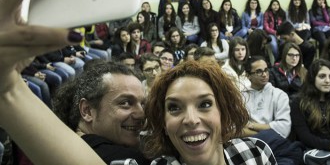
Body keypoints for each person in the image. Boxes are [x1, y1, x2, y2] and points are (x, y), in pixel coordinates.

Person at [0, 0, 106, 165]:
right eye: (174, 107)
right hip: (31, 70)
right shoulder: (38, 29)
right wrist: (7, 88)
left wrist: (8, 90)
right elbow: (36, 59)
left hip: (28, 72)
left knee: (72, 67)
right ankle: (57, 110)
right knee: (53, 78)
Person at [143, 60, 277, 165]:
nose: (191, 119)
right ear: (164, 124)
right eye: (174, 108)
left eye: (205, 104)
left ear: (224, 113)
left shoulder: (256, 153)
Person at [52, 61, 151, 165]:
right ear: (87, 110)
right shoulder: (127, 159)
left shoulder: (58, 147)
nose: (141, 114)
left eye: (143, 104)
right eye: (125, 103)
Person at [242, 56, 303, 165]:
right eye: (258, 72)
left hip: (275, 147)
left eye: (266, 70)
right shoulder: (240, 97)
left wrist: (251, 125)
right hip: (247, 147)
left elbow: (284, 129)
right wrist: (268, 130)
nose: (264, 74)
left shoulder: (279, 95)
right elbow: (234, 129)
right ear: (248, 75)